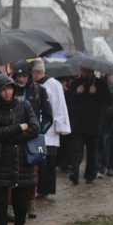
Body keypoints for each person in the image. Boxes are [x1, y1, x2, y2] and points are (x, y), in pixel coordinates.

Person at [0, 73, 40, 225]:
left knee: (20, 203)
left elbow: (34, 128)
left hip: (21, 161)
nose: (7, 93)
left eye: (9, 88)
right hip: (0, 161)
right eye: (3, 90)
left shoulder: (24, 105)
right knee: (0, 204)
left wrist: (12, 137)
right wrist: (18, 128)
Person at [12, 61, 52, 219]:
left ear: (29, 76)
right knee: (12, 172)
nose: (20, 79)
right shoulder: (9, 90)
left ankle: (31, 201)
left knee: (32, 173)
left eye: (24, 76)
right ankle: (10, 205)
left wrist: (39, 131)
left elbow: (49, 116)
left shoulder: (39, 91)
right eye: (18, 76)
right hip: (13, 136)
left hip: (32, 140)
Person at [31, 59, 71, 199]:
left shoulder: (54, 84)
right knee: (40, 159)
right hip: (39, 129)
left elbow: (60, 105)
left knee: (49, 161)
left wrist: (60, 125)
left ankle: (46, 188)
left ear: (37, 72)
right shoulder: (34, 85)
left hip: (51, 129)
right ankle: (40, 187)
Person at [66, 67, 112, 185]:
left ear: (92, 71)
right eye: (84, 70)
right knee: (77, 150)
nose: (86, 73)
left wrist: (96, 93)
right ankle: (75, 172)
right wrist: (77, 92)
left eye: (88, 71)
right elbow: (68, 99)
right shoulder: (75, 84)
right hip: (78, 123)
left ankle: (90, 175)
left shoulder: (100, 84)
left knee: (92, 151)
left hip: (94, 124)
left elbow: (108, 101)